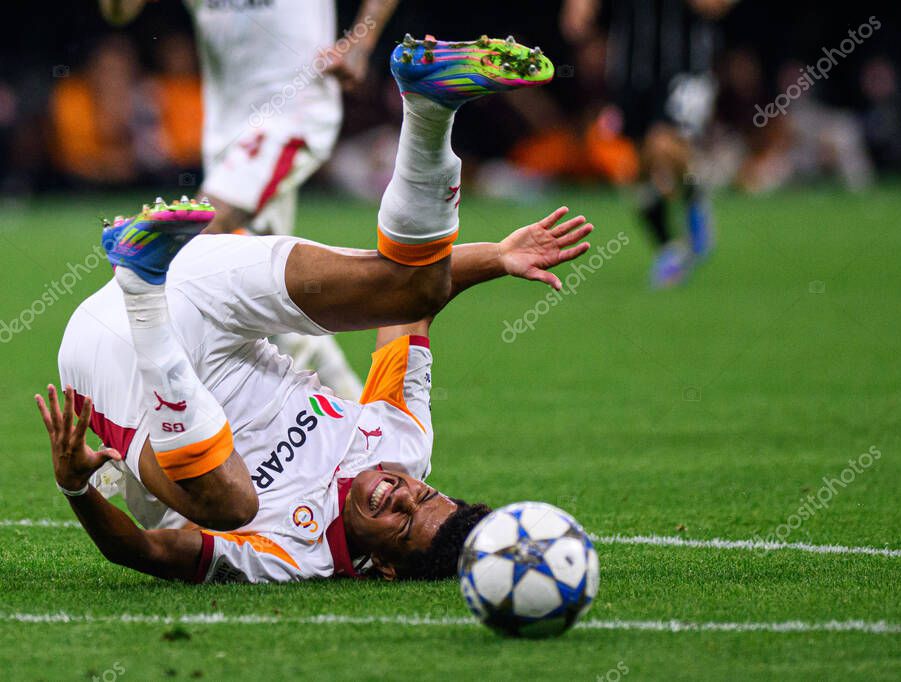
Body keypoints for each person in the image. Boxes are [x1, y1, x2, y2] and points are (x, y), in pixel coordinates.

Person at [43, 37, 588, 583]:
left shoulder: (295, 557)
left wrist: (76, 486)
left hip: (124, 360)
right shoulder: (403, 445)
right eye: (422, 495)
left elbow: (147, 551)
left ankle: (142, 292)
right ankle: (429, 107)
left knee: (231, 506)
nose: (399, 493)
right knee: (408, 287)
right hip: (199, 286)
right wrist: (497, 256)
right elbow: (412, 311)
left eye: (403, 522)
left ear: (386, 567)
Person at [98, 0, 404, 399]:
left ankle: (138, 431)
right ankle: (367, 422)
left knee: (182, 245)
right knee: (261, 289)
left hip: (292, 114)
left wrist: (361, 41)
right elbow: (118, 12)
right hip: (225, 137)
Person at [561, 0, 734, 287]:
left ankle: (693, 196)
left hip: (684, 67)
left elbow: (714, 7)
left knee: (662, 143)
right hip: (630, 72)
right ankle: (669, 247)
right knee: (635, 169)